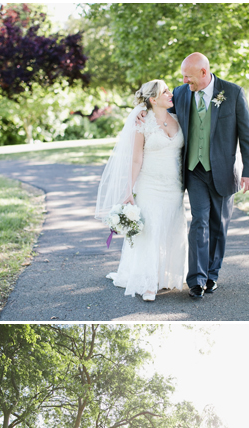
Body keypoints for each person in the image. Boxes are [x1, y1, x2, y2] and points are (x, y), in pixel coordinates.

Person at [170, 52, 249, 300]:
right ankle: (196, 279)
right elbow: (164, 115)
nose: (185, 81)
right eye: (183, 76)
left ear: (204, 73)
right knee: (199, 220)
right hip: (193, 170)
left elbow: (247, 136)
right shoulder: (180, 93)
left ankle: (211, 275)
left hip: (222, 170)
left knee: (218, 225)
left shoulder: (232, 93)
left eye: (189, 76)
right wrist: (145, 113)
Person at [96, 79, 188, 301]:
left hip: (174, 187)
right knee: (151, 231)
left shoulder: (178, 118)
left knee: (171, 228)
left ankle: (167, 275)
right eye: (165, 91)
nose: (170, 93)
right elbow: (136, 160)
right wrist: (129, 190)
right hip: (149, 185)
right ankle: (148, 284)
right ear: (153, 99)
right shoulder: (142, 123)